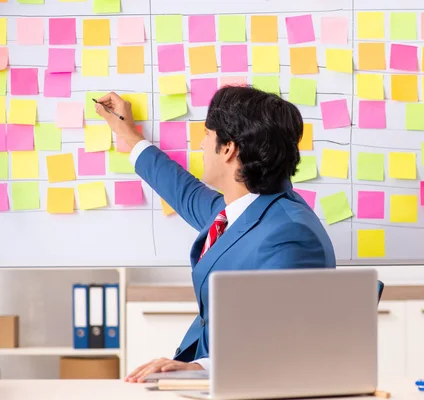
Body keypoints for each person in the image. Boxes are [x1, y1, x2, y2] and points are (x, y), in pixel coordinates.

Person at [94, 87, 336, 383]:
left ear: (228, 149)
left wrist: (200, 369)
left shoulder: (291, 234)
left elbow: (287, 345)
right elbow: (183, 191)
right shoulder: (241, 209)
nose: (201, 144)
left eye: (207, 134)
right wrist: (129, 134)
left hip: (238, 384)